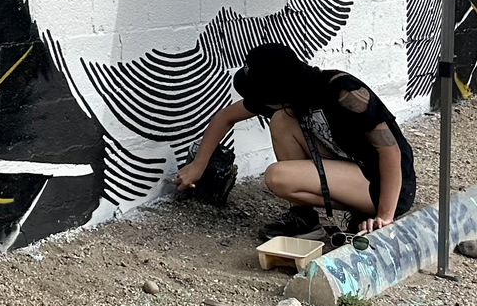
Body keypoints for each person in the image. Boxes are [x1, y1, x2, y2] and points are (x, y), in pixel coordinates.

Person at [177, 43, 416, 241]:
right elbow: (225, 117)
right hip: (349, 167)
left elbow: (390, 151)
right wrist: (198, 166)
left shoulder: (343, 92)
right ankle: (304, 219)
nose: (258, 102)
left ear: (278, 94)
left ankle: (369, 212)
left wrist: (385, 216)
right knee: (282, 121)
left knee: (277, 176)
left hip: (387, 185)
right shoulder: (288, 95)